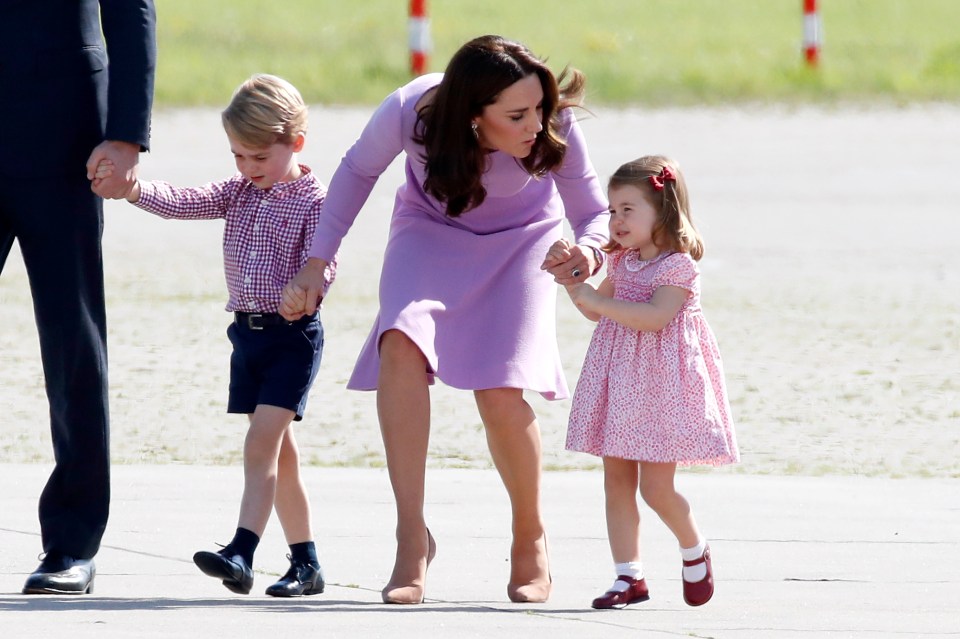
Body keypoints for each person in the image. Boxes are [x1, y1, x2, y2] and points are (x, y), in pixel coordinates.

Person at [280, 34, 609, 604]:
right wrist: (317, 262)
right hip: (429, 235)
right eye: (516, 114)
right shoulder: (413, 110)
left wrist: (590, 253)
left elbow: (592, 212)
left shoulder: (551, 127)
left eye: (538, 107)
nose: (535, 123)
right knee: (399, 344)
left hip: (523, 245)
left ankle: (530, 536)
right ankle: (411, 536)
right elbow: (357, 173)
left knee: (501, 391)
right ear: (473, 116)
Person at [96, 74, 335, 597]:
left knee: (260, 444)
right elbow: (187, 201)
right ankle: (306, 563)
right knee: (280, 453)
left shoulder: (316, 199)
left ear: (295, 143)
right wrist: (134, 188)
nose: (249, 170)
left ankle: (241, 552)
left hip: (291, 339)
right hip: (246, 337)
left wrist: (306, 288)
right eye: (238, 158)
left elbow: (324, 260)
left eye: (259, 158)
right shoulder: (241, 191)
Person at [0, 0, 156, 595]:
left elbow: (131, 10)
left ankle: (73, 541)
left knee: (72, 345)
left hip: (63, 139)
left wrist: (125, 136)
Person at [547, 155, 739, 609]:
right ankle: (627, 576)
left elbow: (655, 318)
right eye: (612, 210)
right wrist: (574, 283)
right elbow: (594, 309)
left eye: (628, 209)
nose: (616, 220)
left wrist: (595, 298)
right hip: (621, 384)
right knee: (615, 479)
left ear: (663, 210)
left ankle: (695, 549)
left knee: (656, 488)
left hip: (661, 388)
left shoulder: (678, 267)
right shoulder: (624, 263)